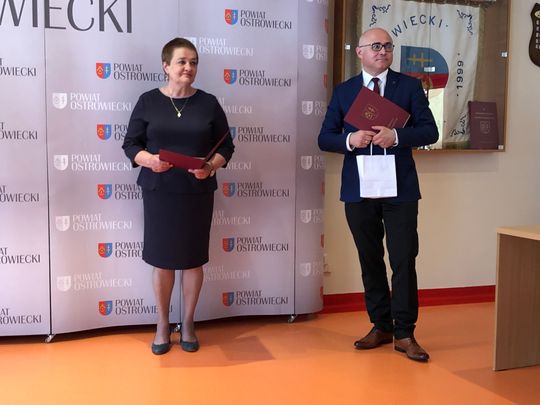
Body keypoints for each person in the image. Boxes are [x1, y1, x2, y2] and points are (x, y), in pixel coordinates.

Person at [318, 28, 438, 362]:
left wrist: (397, 136)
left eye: (387, 46)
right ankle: (381, 325)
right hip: (359, 188)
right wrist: (349, 140)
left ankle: (405, 332)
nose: (382, 51)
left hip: (399, 188)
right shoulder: (344, 92)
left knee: (403, 258)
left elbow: (430, 131)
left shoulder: (409, 87)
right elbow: (324, 137)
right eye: (375, 46)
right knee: (369, 258)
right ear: (359, 52)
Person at [122, 37, 234, 355]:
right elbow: (130, 144)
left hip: (196, 193)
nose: (188, 67)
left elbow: (227, 146)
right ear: (166, 66)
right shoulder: (148, 101)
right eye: (182, 61)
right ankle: (161, 324)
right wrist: (150, 160)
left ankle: (187, 323)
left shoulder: (209, 103)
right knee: (162, 261)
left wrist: (210, 167)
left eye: (193, 62)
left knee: (193, 260)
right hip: (159, 192)